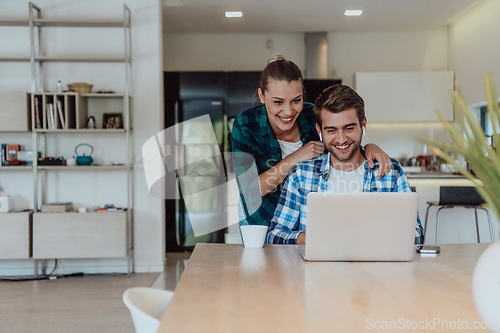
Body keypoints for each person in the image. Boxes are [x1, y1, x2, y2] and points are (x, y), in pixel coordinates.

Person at [231, 55, 392, 227]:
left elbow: (342, 143)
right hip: (262, 218)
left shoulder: (311, 114)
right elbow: (249, 192)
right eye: (278, 102)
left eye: (296, 100)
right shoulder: (246, 124)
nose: (288, 111)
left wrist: (368, 147)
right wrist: (295, 158)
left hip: (309, 221)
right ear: (261, 96)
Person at [266, 84, 424, 244]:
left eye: (348, 128)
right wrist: (306, 238)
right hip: (317, 268)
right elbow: (274, 235)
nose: (341, 140)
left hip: (375, 268)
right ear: (319, 130)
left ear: (363, 125)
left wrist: (372, 238)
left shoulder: (390, 171)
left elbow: (416, 234)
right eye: (331, 130)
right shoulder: (302, 174)